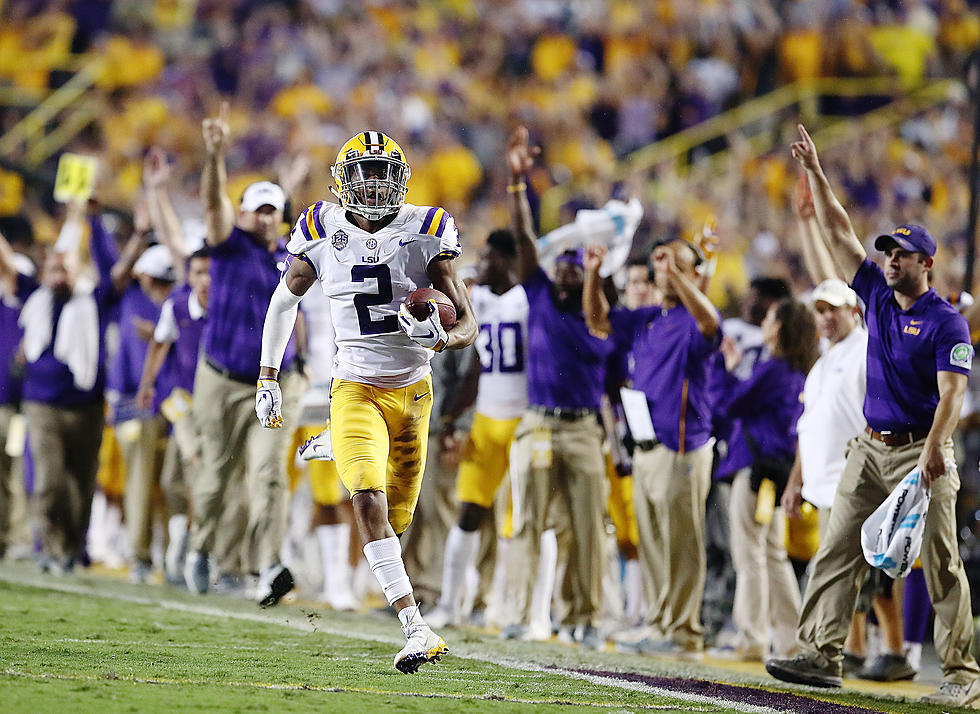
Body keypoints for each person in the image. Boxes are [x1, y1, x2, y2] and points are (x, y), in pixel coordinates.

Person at [766, 125, 980, 707]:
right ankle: (820, 653)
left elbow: (953, 394)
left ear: (927, 263)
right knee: (837, 549)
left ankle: (962, 670)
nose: (888, 259)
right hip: (868, 446)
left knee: (938, 561)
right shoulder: (878, 295)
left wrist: (935, 448)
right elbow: (839, 231)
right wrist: (814, 169)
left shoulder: (946, 322)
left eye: (901, 253)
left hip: (921, 449)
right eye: (887, 251)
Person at [257, 130, 476, 673]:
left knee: (397, 519)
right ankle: (415, 626)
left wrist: (443, 338)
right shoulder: (320, 227)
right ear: (343, 182)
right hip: (354, 384)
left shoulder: (425, 230)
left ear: (399, 180)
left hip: (415, 391)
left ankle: (341, 443)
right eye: (364, 175)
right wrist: (268, 376)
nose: (374, 186)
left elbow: (469, 323)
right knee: (368, 502)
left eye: (383, 174)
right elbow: (284, 302)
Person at [184, 103, 303, 606]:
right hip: (220, 377)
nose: (265, 216)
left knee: (268, 471)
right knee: (215, 475)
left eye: (273, 208)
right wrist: (215, 156)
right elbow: (212, 205)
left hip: (276, 381)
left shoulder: (295, 254)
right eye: (257, 208)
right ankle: (200, 547)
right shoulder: (227, 246)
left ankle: (270, 563)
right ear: (243, 213)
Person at [501, 127, 615, 648]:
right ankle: (520, 613)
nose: (565, 273)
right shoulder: (542, 295)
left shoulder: (603, 312)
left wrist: (593, 274)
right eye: (562, 265)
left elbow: (597, 320)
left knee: (586, 530)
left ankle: (582, 617)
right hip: (541, 421)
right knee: (527, 521)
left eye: (576, 265)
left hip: (584, 429)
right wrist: (518, 186)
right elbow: (525, 242)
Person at [584, 235, 720, 659]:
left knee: (681, 541)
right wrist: (592, 273)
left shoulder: (694, 321)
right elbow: (598, 319)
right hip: (645, 444)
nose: (663, 270)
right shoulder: (650, 317)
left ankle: (685, 632)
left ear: (694, 274)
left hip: (681, 445)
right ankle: (662, 622)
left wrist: (679, 274)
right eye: (662, 264)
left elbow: (712, 325)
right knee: (656, 540)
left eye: (674, 264)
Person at [425, 229, 528, 628]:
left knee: (519, 522)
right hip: (486, 417)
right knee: (467, 513)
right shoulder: (479, 301)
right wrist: (452, 418)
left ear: (506, 261)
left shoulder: (527, 300)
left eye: (487, 258)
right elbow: (478, 369)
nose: (480, 264)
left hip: (523, 420)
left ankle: (522, 609)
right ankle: (451, 605)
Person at [715, 297, 817, 662]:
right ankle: (791, 641)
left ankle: (752, 637)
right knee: (772, 553)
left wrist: (729, 368)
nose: (765, 322)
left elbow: (730, 403)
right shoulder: (799, 370)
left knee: (750, 554)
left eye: (772, 317)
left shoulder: (773, 369)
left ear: (780, 327)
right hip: (778, 471)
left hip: (755, 470)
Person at [137, 246, 210, 585]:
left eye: (209, 271)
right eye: (198, 272)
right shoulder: (177, 306)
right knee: (174, 480)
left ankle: (196, 549)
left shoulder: (229, 304)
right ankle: (182, 543)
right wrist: (147, 383)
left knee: (201, 479)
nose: (204, 279)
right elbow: (159, 342)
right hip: (184, 400)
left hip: (219, 403)